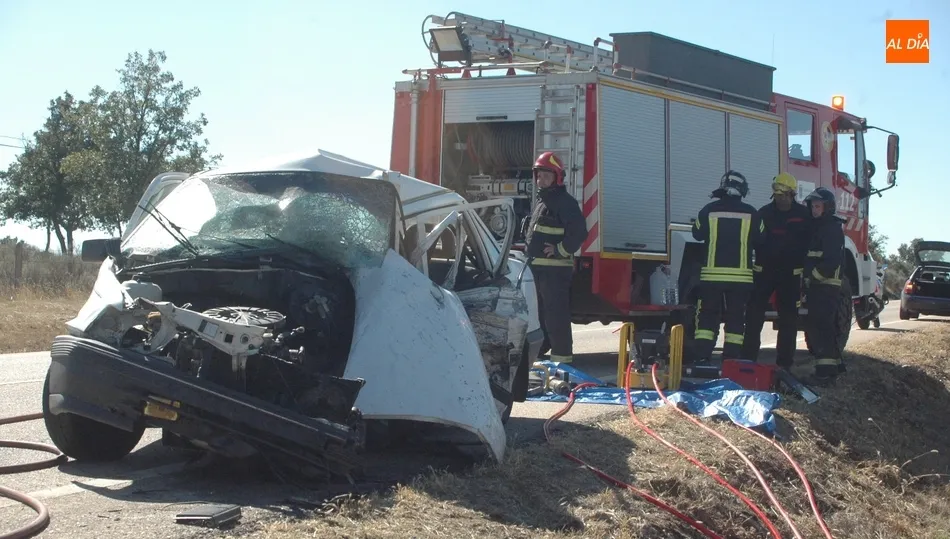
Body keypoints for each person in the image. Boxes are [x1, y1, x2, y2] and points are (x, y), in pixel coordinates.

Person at [691, 170, 765, 362]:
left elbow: (697, 234)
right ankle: (731, 359)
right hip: (741, 279)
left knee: (707, 317)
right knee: (736, 319)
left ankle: (702, 356)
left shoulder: (708, 210)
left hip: (711, 277)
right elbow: (762, 239)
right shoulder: (752, 213)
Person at [522, 151, 588, 364]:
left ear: (557, 178)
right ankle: (540, 355)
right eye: (539, 175)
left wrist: (560, 249)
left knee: (555, 316)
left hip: (555, 271)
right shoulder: (543, 201)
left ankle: (562, 361)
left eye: (547, 176)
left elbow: (579, 232)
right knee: (539, 315)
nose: (541, 179)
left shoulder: (564, 202)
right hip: (538, 269)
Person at [741, 172, 812, 369]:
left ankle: (784, 367)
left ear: (792, 194)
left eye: (784, 195)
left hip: (790, 275)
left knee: (789, 322)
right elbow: (752, 240)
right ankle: (748, 362)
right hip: (764, 272)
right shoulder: (763, 214)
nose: (781, 199)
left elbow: (811, 242)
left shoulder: (803, 215)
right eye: (778, 195)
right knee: (754, 319)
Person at [802, 186, 847, 384]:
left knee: (820, 327)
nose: (814, 210)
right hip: (819, 286)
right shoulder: (821, 227)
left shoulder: (831, 229)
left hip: (825, 285)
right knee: (824, 327)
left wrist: (811, 276)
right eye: (812, 206)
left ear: (827, 207)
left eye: (818, 206)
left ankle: (824, 374)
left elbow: (830, 261)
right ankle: (834, 366)